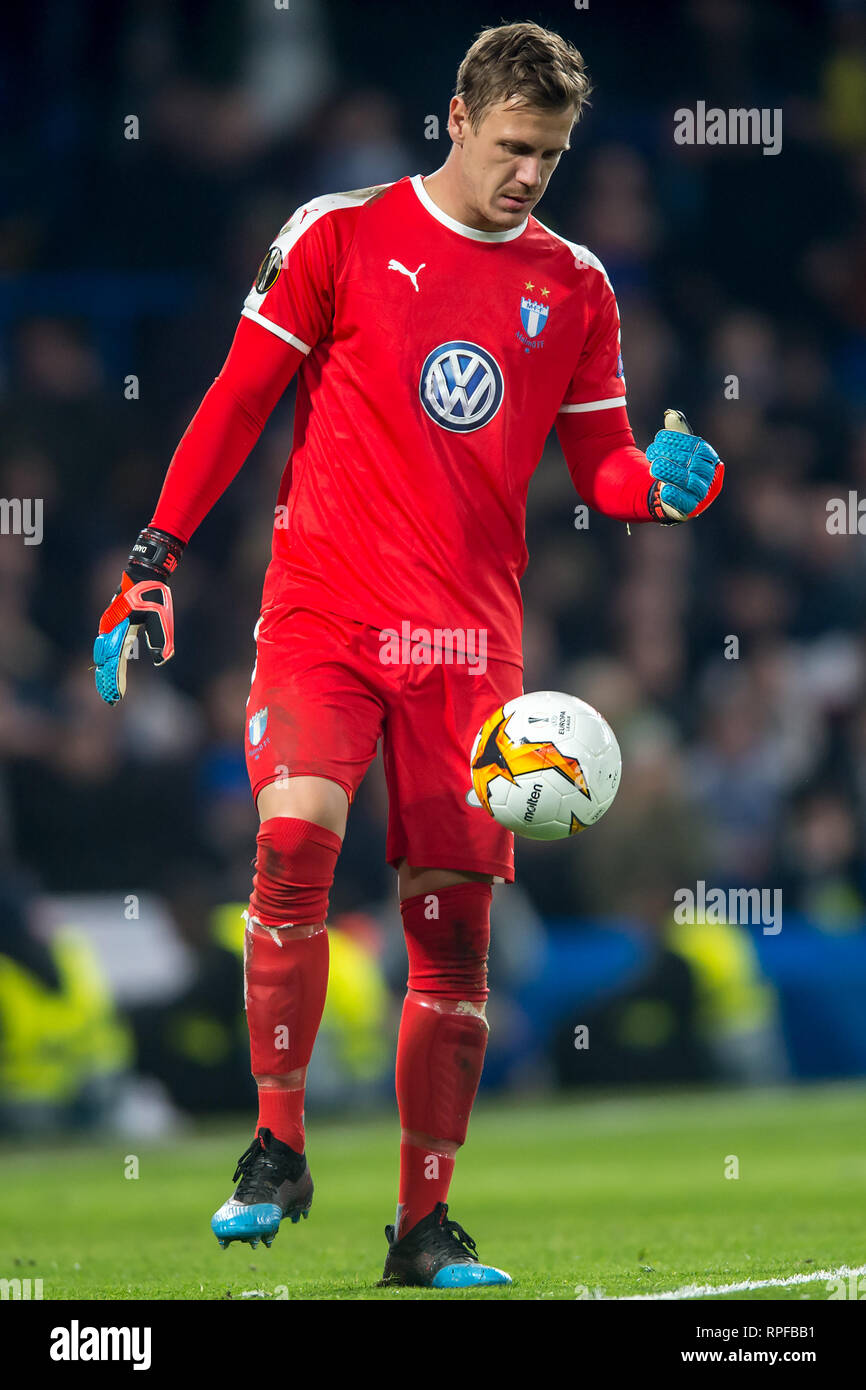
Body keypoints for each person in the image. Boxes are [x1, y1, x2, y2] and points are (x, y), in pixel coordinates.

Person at [94, 20, 723, 1288]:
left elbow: (594, 459)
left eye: (547, 154)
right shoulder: (337, 235)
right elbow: (236, 397)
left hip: (469, 645)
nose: (528, 175)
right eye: (510, 147)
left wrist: (650, 486)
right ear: (457, 117)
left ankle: (422, 1228)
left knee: (452, 935)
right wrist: (154, 555)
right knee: (290, 843)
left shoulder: (577, 286)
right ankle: (276, 1143)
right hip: (325, 611)